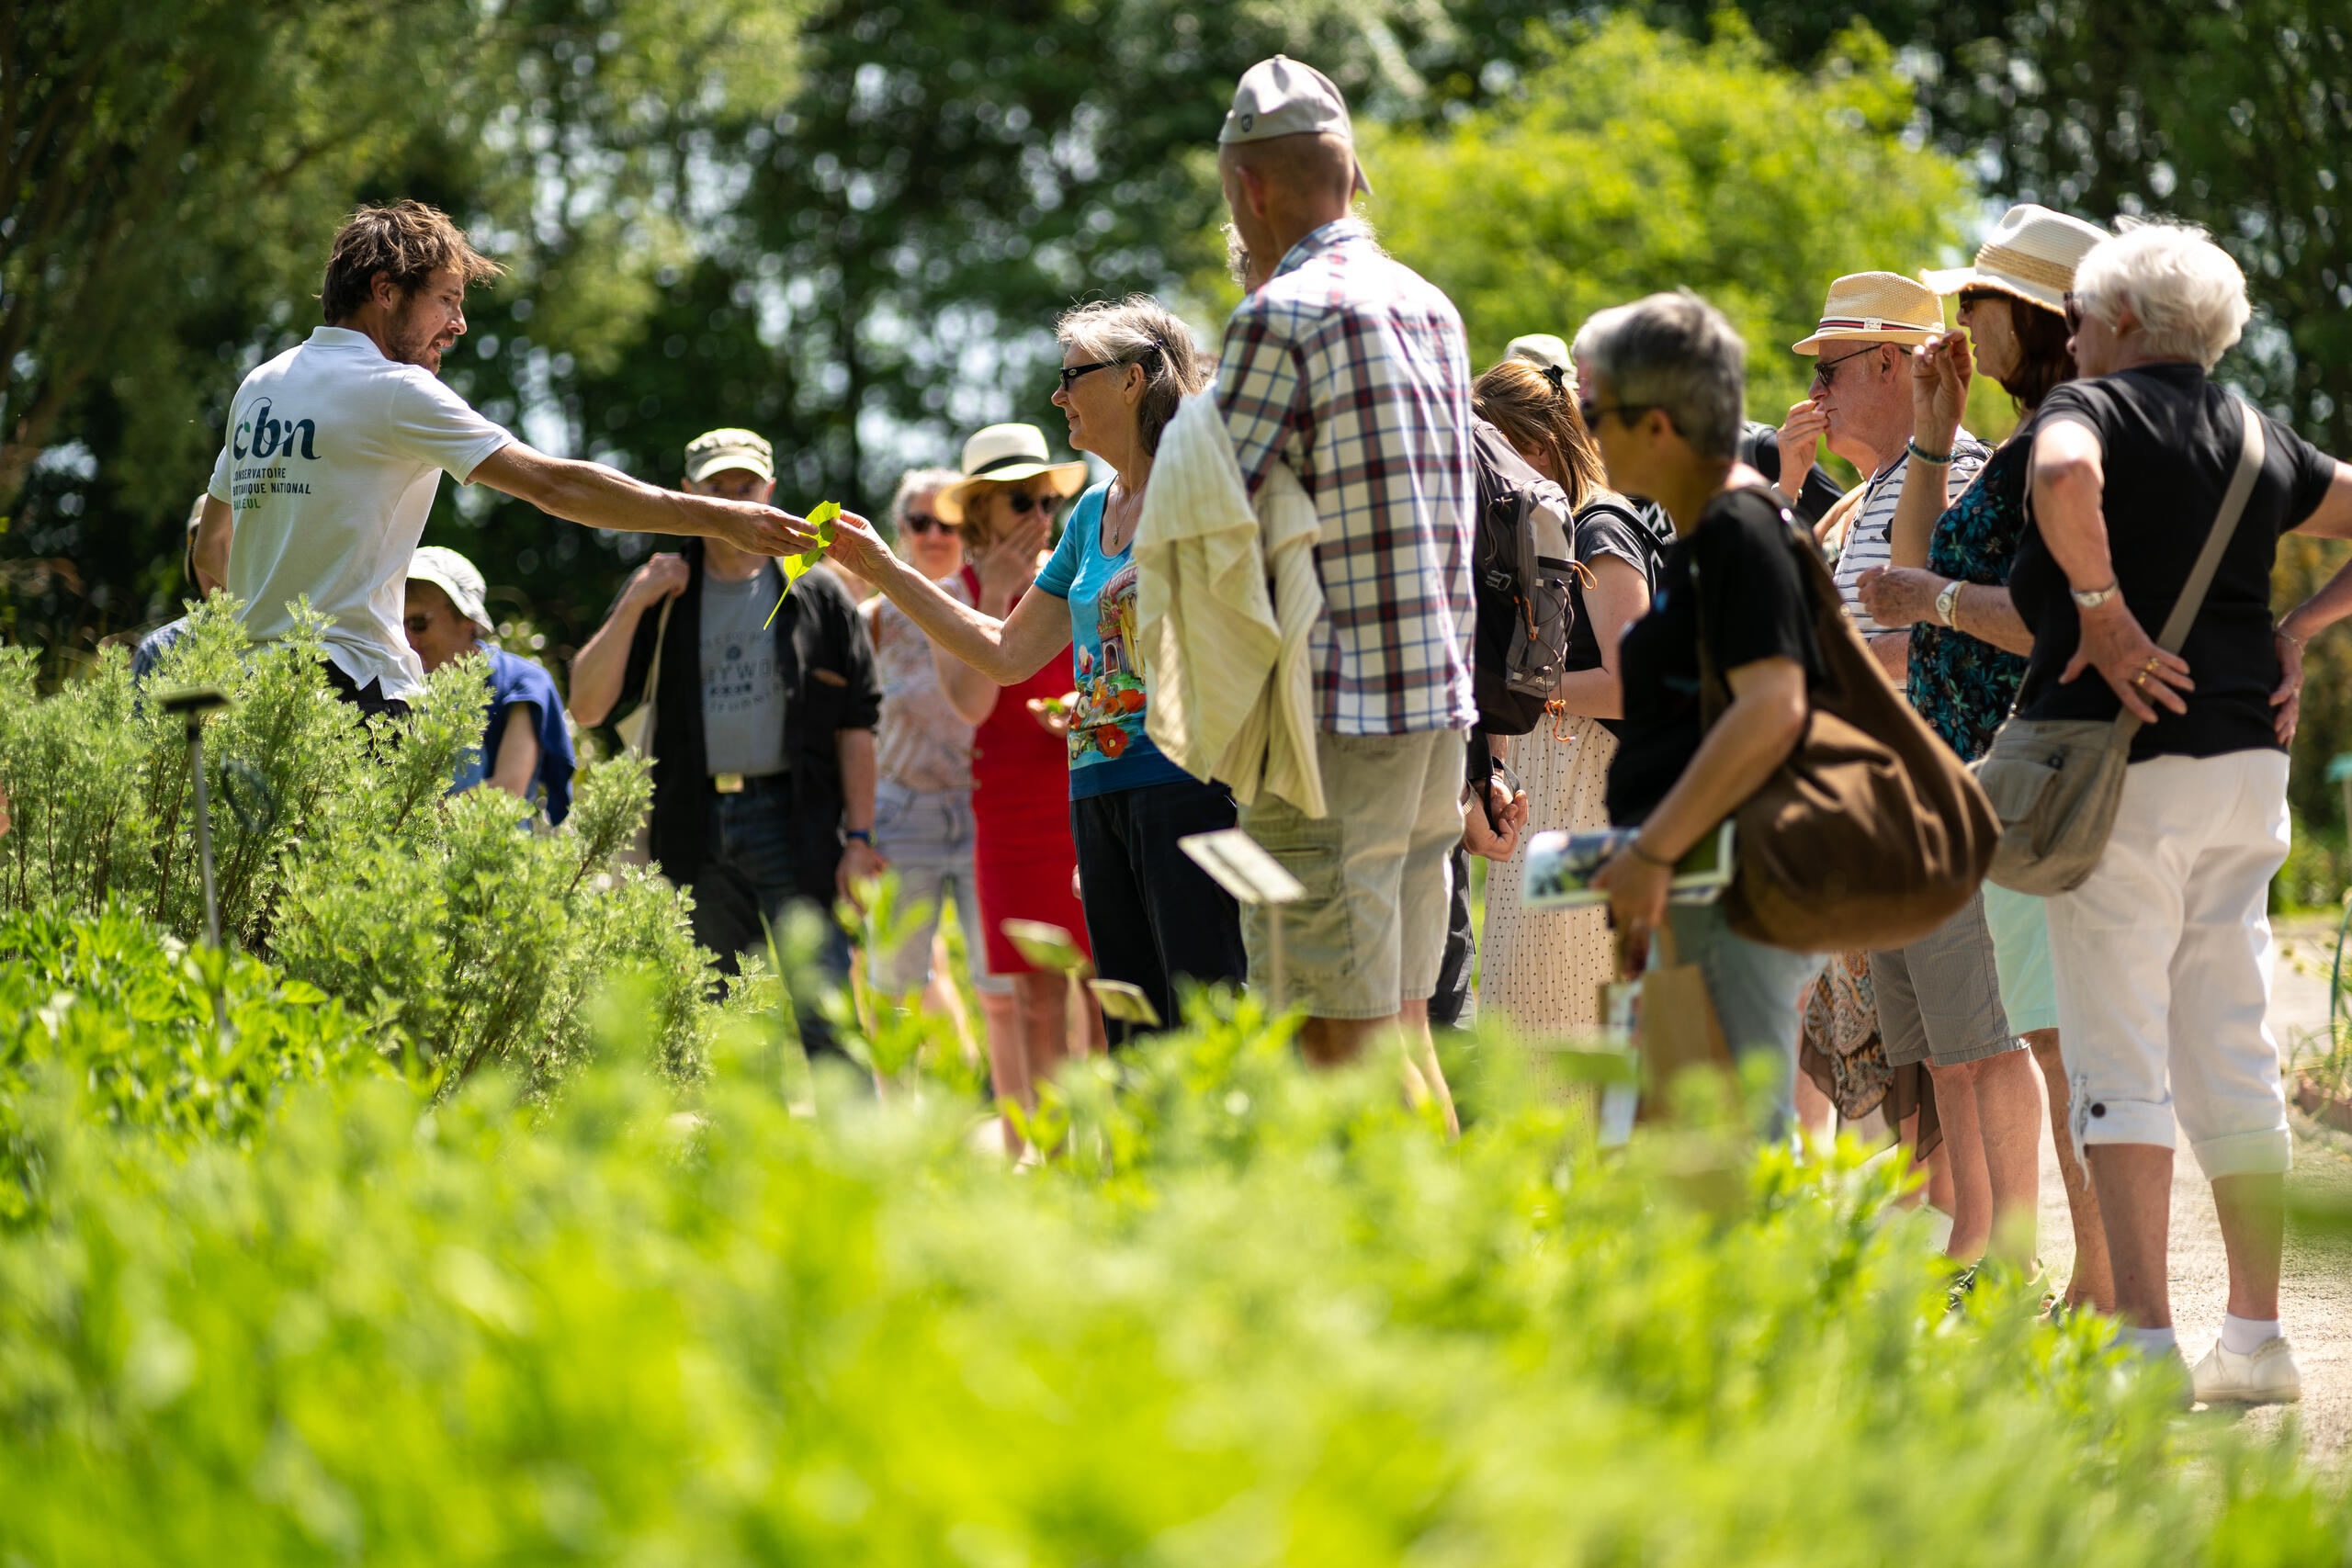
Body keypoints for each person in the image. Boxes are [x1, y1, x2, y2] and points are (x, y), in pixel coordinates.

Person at [1999, 220, 2352, 1398]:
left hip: (2120, 769)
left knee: (2119, 1053)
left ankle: (2143, 1341)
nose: (2074, 335)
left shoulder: (2087, 413)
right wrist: (2294, 634)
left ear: (2127, 325)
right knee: (2232, 1042)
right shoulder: (2256, 433)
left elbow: (2058, 480)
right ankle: (2256, 1340)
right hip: (2245, 761)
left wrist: (2098, 609)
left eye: (2084, 318)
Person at [193, 200, 804, 722]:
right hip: (355, 696)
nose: (457, 324)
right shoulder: (395, 390)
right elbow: (557, 487)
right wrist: (719, 517)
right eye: (445, 300)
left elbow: (210, 547)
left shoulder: (261, 385)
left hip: (249, 697)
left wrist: (255, 643)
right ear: (385, 291)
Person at [832, 304, 1250, 1049]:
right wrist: (884, 569)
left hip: (1189, 784)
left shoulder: (1206, 488)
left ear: (1130, 381)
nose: (1058, 396)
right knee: (1129, 1027)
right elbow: (1003, 649)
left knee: (1202, 1009)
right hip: (1095, 791)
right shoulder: (1092, 512)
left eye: (1071, 376)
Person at [1209, 55, 1476, 1126]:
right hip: (1430, 721)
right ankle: (1477, 1268)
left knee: (1336, 1040)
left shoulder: (1281, 314)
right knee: (1404, 1024)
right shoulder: (1430, 306)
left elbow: (1207, 519)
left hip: (1329, 728)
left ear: (1247, 188)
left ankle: (1411, 1283)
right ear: (1350, 176)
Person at [1856, 203, 2115, 1303]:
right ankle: (2078, 1281)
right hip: (1980, 770)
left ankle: (2100, 1286)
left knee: (2053, 1048)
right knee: (2038, 1044)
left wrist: (1938, 602)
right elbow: (1912, 574)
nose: (1959, 313)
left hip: (2032, 766)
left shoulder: (2065, 440)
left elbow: (2042, 616)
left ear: (2032, 317)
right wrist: (1931, 428)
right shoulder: (2015, 441)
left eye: (1977, 298)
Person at [1584, 289, 1827, 1136]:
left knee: (1739, 1152)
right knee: (1687, 1156)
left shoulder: (1738, 527)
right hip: (1693, 884)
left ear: (1657, 423)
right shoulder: (1706, 532)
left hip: (1734, 883)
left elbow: (1772, 707)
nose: (1586, 431)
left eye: (1595, 410)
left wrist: (1653, 848)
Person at [566, 428, 883, 1058]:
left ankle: (857, 1152)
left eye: (745, 487)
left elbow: (857, 722)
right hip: (693, 827)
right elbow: (586, 704)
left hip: (797, 824)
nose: (735, 501)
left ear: (770, 492)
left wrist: (861, 839)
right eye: (717, 489)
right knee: (724, 1027)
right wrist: (637, 596)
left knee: (825, 1012)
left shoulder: (817, 592)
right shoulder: (665, 591)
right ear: (688, 495)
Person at [1471, 355, 1654, 1051]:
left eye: (1492, 449)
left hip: (1595, 800)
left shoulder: (1600, 527)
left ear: (1537, 447)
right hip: (1547, 799)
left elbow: (1629, 682)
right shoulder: (1538, 532)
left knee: (1567, 1020)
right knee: (1524, 1015)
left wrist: (1524, 686)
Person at [861, 466, 1002, 1056]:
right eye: (920, 522)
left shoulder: (1003, 605)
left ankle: (1014, 1112)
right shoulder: (874, 617)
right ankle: (896, 1128)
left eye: (948, 522)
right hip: (903, 812)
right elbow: (853, 728)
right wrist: (855, 828)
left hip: (984, 808)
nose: (935, 535)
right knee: (893, 982)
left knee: (1002, 979)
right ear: (901, 530)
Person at [401, 545, 575, 824]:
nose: (408, 640)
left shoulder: (522, 681)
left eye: (418, 623)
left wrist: (408, 820)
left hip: (494, 858)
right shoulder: (395, 683)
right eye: (398, 624)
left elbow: (507, 792)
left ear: (467, 618)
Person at [131, 496, 219, 682]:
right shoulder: (159, 651)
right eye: (203, 546)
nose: (215, 561)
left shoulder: (286, 641)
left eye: (229, 543)